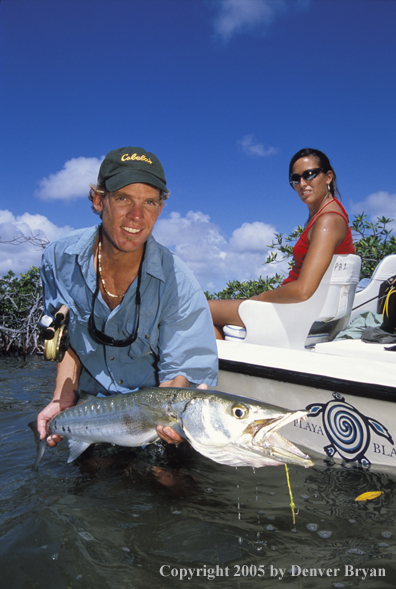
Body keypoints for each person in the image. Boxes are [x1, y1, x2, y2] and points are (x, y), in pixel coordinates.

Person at [37, 146, 218, 448]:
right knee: (88, 485)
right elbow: (62, 336)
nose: (137, 215)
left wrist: (176, 407)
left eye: (149, 202)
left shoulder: (180, 283)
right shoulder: (58, 258)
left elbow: (180, 376)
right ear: (99, 200)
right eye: (123, 198)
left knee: (172, 487)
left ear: (161, 207)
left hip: (151, 422)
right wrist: (62, 397)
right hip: (91, 410)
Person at [209, 148, 355, 339]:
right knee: (209, 327)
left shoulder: (328, 221)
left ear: (328, 177)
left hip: (294, 313)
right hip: (295, 310)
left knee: (198, 309)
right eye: (296, 179)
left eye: (309, 175)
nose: (302, 184)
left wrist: (259, 298)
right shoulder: (326, 216)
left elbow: (303, 290)